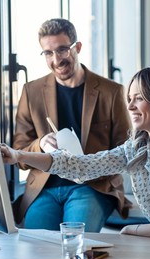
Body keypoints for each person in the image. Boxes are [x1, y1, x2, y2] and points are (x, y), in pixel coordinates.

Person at [2, 65, 150, 239]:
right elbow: (80, 166)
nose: (129, 107)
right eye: (130, 99)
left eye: (139, 98)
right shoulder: (138, 147)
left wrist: (131, 231)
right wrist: (18, 155)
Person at [12, 18, 131, 232]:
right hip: (44, 187)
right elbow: (19, 151)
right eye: (48, 53)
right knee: (35, 244)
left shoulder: (111, 92)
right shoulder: (31, 92)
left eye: (62, 50)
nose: (56, 59)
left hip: (92, 186)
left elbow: (126, 150)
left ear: (77, 47)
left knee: (76, 239)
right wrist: (40, 144)